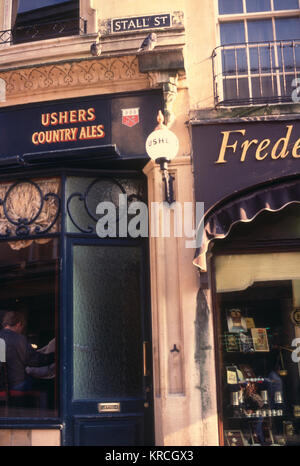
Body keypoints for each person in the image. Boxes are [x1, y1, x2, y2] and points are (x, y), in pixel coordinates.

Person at [0, 311, 54, 391]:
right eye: (22, 327)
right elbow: (35, 360)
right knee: (44, 385)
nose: (22, 330)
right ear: (19, 324)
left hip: (1, 387)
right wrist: (54, 356)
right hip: (16, 385)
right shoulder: (19, 339)